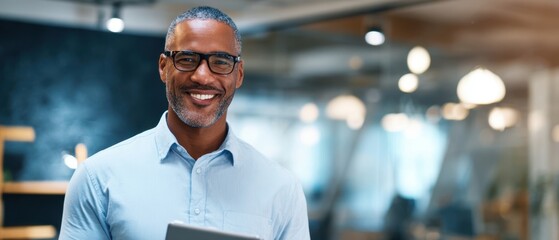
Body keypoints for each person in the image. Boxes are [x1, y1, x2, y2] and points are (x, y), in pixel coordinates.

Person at [59, 6, 310, 240]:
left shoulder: (281, 188)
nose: (202, 76)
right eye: (187, 59)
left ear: (239, 74)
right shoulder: (97, 178)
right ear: (163, 67)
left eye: (221, 61)